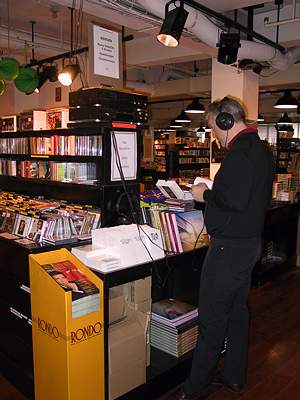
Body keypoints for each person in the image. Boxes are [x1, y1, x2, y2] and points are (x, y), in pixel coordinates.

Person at [168, 97, 275, 400]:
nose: (215, 136)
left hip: (229, 250)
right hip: (248, 245)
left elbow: (234, 200)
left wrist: (205, 194)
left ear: (226, 122)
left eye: (215, 129)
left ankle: (195, 387)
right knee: (238, 313)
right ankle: (234, 377)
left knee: (213, 318)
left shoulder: (240, 154)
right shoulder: (261, 150)